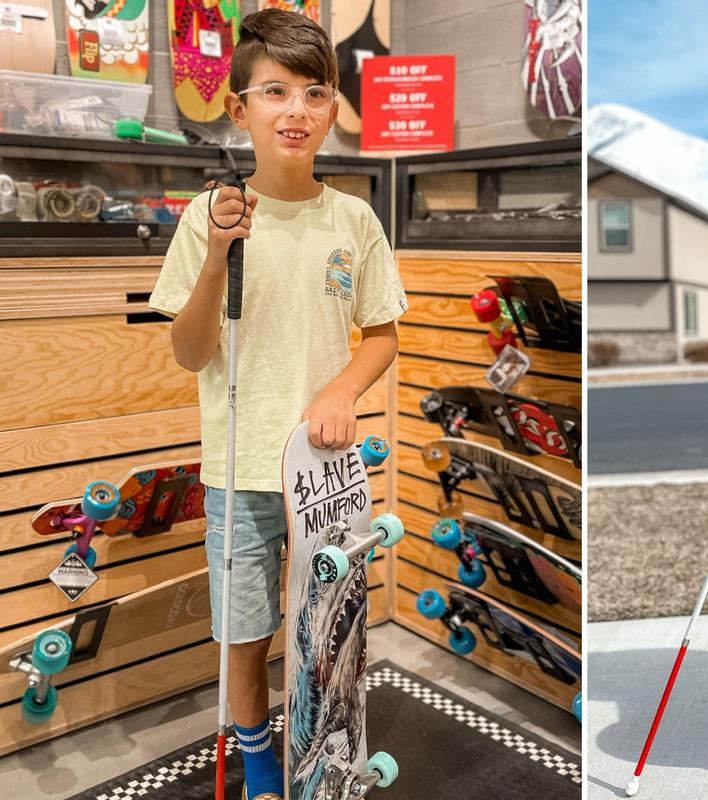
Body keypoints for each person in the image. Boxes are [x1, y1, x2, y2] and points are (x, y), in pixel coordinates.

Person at [148, 10, 407, 799]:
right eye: (274, 92)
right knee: (245, 633)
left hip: (326, 474)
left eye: (314, 92)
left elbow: (382, 336)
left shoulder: (354, 220)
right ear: (240, 108)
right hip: (240, 468)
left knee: (328, 630)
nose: (295, 109)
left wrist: (340, 390)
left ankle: (321, 750)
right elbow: (189, 351)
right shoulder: (209, 217)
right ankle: (261, 762)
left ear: (333, 108)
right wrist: (222, 249)